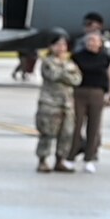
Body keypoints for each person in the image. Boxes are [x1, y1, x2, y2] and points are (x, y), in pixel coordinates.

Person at [69, 29, 110, 171]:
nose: (92, 43)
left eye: (95, 41)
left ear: (100, 43)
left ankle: (89, 158)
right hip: (79, 92)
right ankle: (70, 156)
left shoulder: (105, 58)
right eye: (89, 41)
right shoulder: (77, 56)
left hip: (97, 92)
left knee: (93, 127)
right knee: (75, 126)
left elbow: (109, 75)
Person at [36, 34, 80, 173]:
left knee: (66, 134)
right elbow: (53, 75)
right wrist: (66, 74)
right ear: (51, 46)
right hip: (50, 103)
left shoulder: (70, 63)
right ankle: (43, 159)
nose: (61, 48)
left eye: (64, 45)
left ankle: (60, 159)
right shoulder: (47, 62)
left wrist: (63, 73)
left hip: (67, 104)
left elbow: (77, 80)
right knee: (48, 133)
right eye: (58, 45)